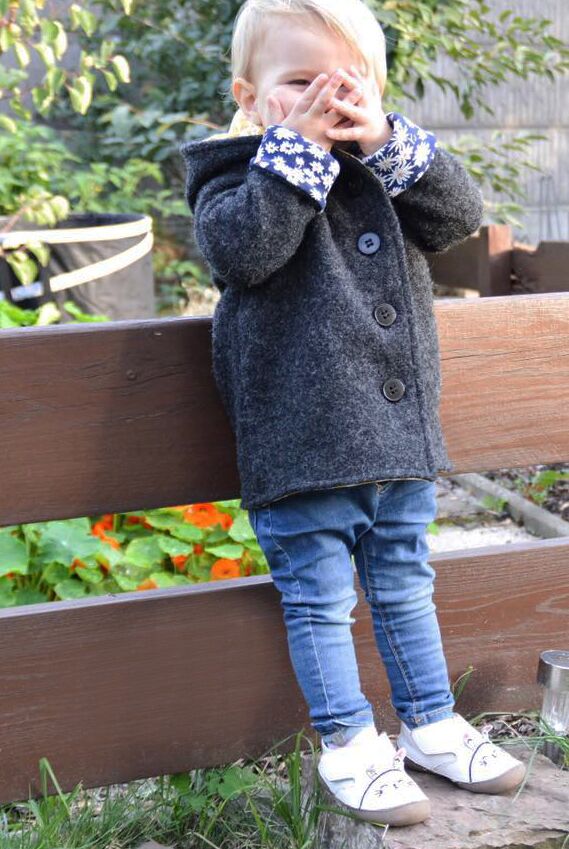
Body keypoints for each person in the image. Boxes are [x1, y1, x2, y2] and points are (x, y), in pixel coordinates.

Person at [180, 0, 526, 828]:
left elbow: (457, 217)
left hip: (397, 435)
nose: (326, 100)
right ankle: (347, 742)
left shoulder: (385, 167)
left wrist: (386, 139)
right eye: (300, 81)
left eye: (349, 83)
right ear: (248, 95)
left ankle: (430, 723)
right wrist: (294, 155)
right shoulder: (233, 172)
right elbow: (242, 252)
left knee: (406, 584)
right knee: (319, 600)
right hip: (300, 443)